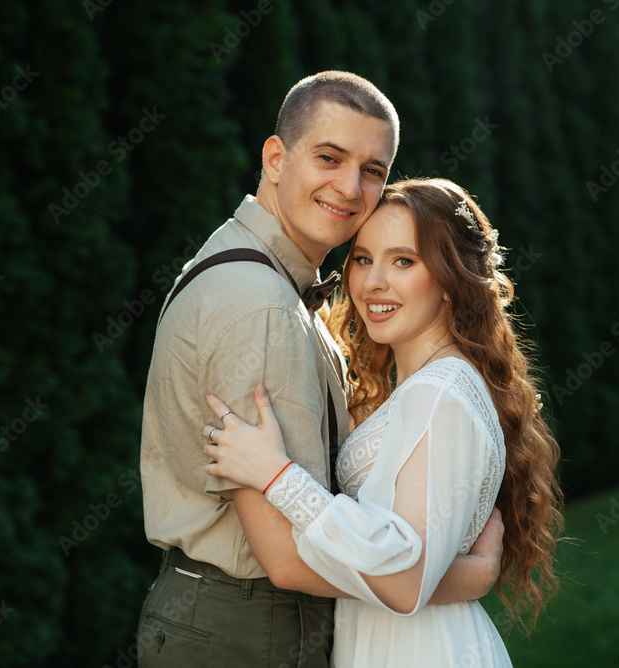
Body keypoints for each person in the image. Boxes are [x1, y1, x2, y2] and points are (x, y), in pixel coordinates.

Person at [136, 73, 503, 667]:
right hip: (249, 623)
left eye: (373, 170)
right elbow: (284, 558)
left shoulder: (262, 282)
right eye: (329, 158)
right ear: (276, 158)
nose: (350, 187)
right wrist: (471, 575)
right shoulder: (258, 303)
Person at [203, 177, 564, 667]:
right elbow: (412, 567)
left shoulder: (440, 394)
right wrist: (470, 573)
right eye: (364, 258)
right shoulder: (433, 385)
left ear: (450, 281)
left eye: (403, 261)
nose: (373, 281)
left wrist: (276, 476)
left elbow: (404, 582)